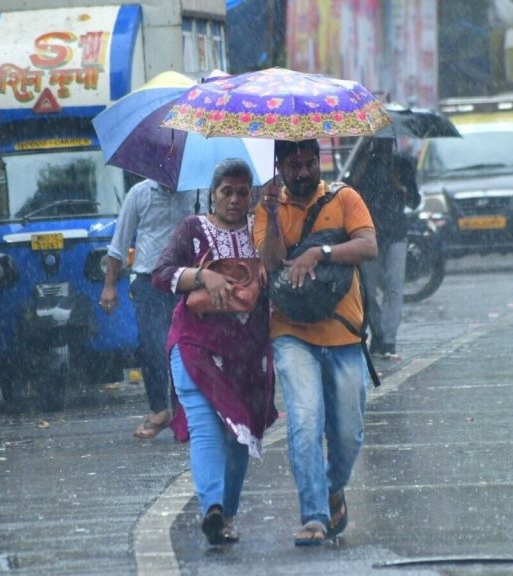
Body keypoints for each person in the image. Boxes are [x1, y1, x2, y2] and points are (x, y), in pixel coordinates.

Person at [254, 139, 378, 546]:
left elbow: (368, 246)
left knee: (348, 434)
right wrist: (272, 215)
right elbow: (271, 263)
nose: (303, 172)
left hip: (343, 333)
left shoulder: (345, 198)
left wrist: (320, 253)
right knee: (305, 422)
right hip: (291, 332)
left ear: (320, 161)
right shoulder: (266, 207)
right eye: (294, 165)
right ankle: (313, 517)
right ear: (281, 167)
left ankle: (332, 487)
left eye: (310, 163)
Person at [151, 158, 277, 546]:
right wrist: (204, 275)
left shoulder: (260, 230)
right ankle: (212, 509)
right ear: (213, 194)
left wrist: (271, 214)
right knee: (207, 428)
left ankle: (225, 514)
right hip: (195, 345)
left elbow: (275, 266)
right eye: (227, 192)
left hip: (245, 352)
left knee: (240, 434)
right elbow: (161, 274)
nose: (235, 200)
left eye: (243, 192)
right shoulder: (193, 229)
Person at [100, 178, 202, 440]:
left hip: (186, 280)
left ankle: (183, 414)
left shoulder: (197, 192)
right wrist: (109, 285)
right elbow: (119, 243)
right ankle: (160, 409)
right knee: (153, 345)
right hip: (150, 282)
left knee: (185, 349)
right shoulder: (139, 193)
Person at [345, 138, 420, 360]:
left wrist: (402, 188)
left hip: (396, 232)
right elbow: (350, 194)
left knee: (394, 287)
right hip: (368, 233)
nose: (383, 144)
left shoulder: (402, 164)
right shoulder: (361, 162)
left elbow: (415, 200)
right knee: (366, 290)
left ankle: (389, 340)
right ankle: (377, 333)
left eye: (387, 140)